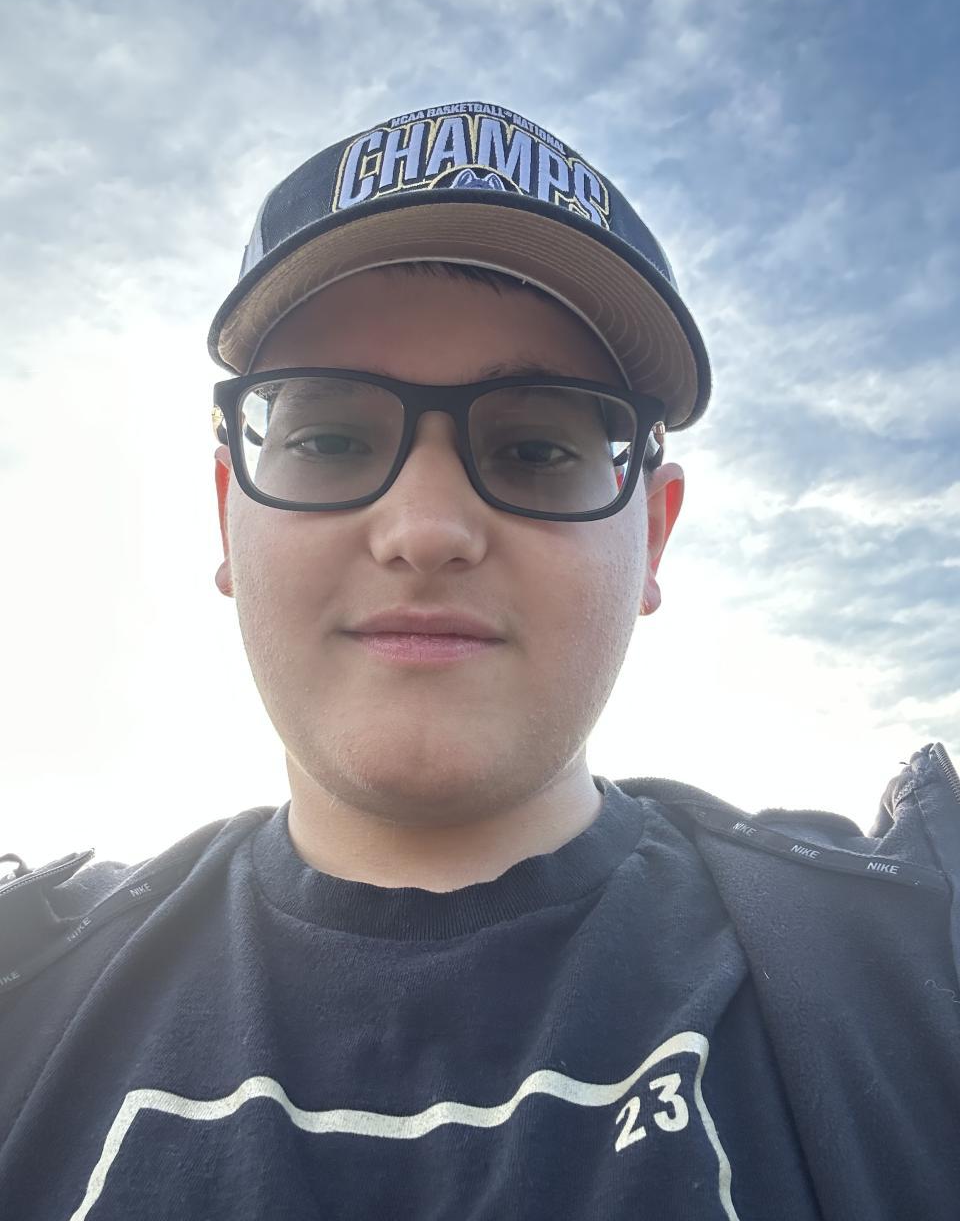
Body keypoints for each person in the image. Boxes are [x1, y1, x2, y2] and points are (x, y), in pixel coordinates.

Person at [1, 100, 958, 1221]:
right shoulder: (24, 990)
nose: (425, 529)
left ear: (652, 535)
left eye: (536, 446)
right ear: (228, 514)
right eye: (331, 439)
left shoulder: (914, 964)